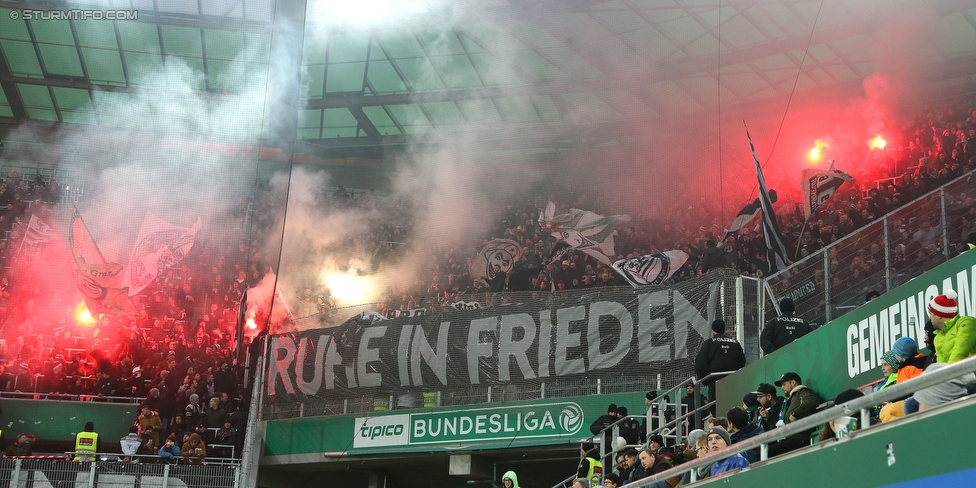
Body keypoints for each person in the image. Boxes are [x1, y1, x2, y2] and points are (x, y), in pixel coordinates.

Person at [695, 319, 746, 412]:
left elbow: (700, 362)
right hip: (732, 380)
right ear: (724, 329)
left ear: (713, 330)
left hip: (715, 380)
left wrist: (704, 378)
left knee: (716, 408)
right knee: (732, 406)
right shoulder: (735, 343)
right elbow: (742, 361)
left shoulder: (709, 343)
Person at [767, 372, 823, 457]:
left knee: (766, 452)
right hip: (790, 438)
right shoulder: (790, 399)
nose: (782, 388)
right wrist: (769, 418)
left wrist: (795, 413)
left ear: (793, 383)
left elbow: (812, 400)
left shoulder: (802, 391)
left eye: (784, 384)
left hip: (800, 439)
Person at [927, 290, 976, 364]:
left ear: (939, 315)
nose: (929, 318)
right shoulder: (938, 337)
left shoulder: (967, 322)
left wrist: (949, 374)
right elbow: (941, 364)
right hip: (956, 374)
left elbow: (960, 352)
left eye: (930, 314)